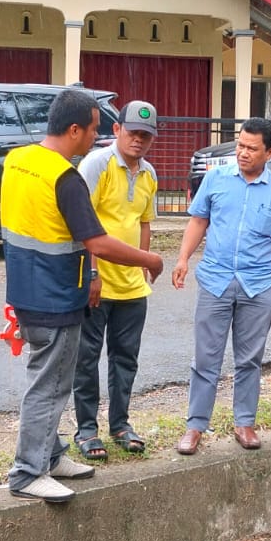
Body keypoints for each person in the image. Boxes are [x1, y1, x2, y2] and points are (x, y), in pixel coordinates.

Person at [1, 88, 164, 503]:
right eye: (93, 130)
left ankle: (51, 455)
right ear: (74, 130)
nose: (95, 138)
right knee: (50, 385)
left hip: (24, 287)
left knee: (47, 377)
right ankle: (28, 472)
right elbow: (99, 242)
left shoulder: (19, 160)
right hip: (56, 294)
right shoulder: (65, 177)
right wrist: (149, 258)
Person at [171, 118, 271, 455]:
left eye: (251, 149)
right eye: (240, 145)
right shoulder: (216, 178)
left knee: (250, 359)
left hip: (259, 286)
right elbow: (199, 221)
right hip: (215, 280)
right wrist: (183, 258)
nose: (242, 153)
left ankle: (245, 422)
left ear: (269, 153)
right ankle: (195, 426)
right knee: (205, 359)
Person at [71, 101, 160, 461]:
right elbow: (83, 224)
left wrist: (141, 266)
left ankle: (121, 425)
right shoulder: (97, 164)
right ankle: (87, 430)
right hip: (98, 283)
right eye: (133, 132)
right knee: (87, 358)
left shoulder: (149, 174)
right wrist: (91, 273)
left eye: (146, 135)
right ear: (117, 130)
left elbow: (144, 222)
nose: (138, 140)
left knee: (126, 358)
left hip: (131, 288)